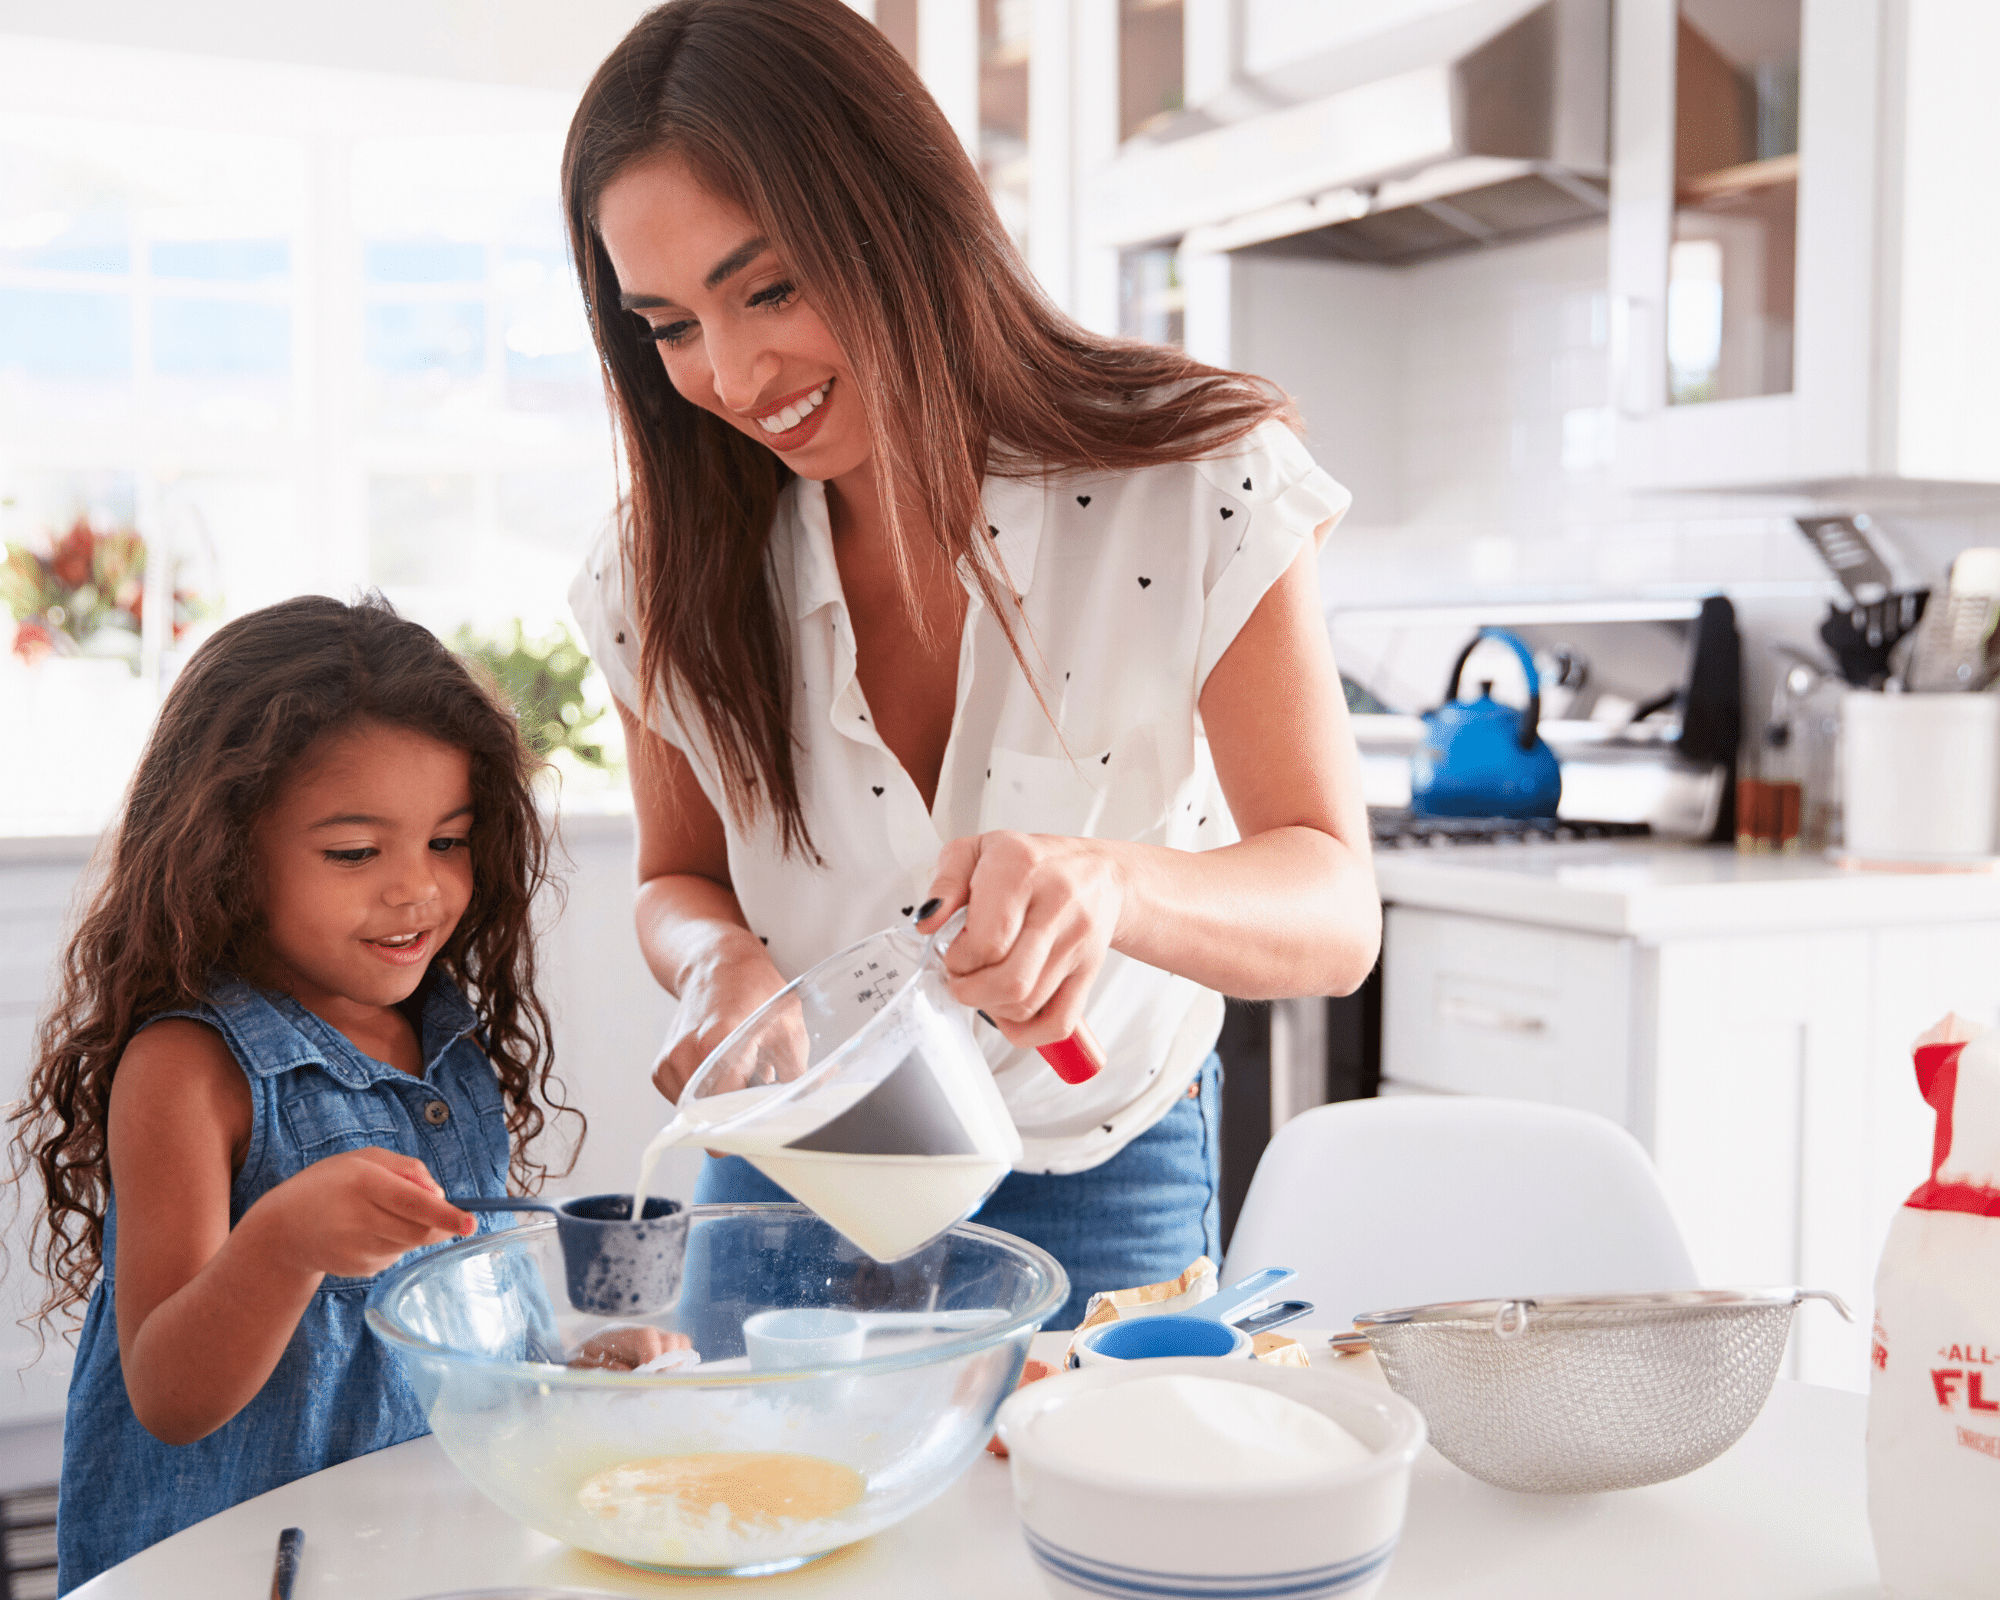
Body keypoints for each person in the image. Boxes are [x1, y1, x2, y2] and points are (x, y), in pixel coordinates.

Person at [563, 0, 1380, 1327]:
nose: (730, 371)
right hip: (791, 1166)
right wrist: (718, 962)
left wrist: (1109, 887)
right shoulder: (661, 565)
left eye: (769, 287)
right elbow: (677, 877)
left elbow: (1336, 913)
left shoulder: (1194, 482)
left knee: (1085, 1529)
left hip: (1102, 1155)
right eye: (666, 325)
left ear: (901, 217)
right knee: (766, 1522)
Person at [10, 595, 579, 1593]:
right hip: (219, 1569)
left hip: (406, 1554)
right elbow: (169, 1393)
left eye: (447, 840)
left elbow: (472, 1313)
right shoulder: (189, 1068)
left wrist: (579, 1362)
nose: (417, 889)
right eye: (356, 853)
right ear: (226, 853)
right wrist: (283, 1242)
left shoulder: (442, 1042)